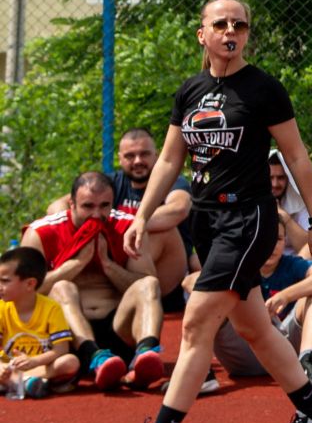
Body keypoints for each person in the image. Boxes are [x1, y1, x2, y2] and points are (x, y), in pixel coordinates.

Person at [113, 0, 312, 423]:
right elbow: (172, 159)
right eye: (220, 24)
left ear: (247, 34)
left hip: (248, 219)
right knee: (255, 328)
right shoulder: (191, 90)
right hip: (206, 221)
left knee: (196, 323)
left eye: (239, 24)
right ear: (203, 34)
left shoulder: (263, 89)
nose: (230, 31)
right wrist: (140, 215)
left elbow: (297, 158)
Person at [23, 172, 169, 390]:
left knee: (149, 283)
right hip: (68, 340)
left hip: (118, 328)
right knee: (62, 287)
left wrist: (109, 266)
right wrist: (73, 266)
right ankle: (94, 356)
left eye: (104, 206)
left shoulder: (128, 227)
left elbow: (145, 283)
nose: (96, 214)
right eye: (88, 206)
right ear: (71, 204)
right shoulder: (41, 232)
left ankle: (146, 354)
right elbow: (23, 293)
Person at [209, 157, 312, 396]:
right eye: (266, 239)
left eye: (278, 240)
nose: (271, 246)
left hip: (284, 350)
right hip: (244, 357)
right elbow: (191, 282)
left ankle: (309, 360)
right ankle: (201, 370)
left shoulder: (289, 262)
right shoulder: (239, 262)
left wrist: (285, 295)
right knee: (212, 298)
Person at [44, 128, 194, 300]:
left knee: (155, 231)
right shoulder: (109, 184)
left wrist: (129, 225)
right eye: (130, 156)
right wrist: (72, 231)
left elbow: (179, 208)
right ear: (120, 158)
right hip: (114, 262)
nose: (138, 161)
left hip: (164, 268)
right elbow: (56, 206)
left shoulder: (173, 182)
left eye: (144, 154)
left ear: (156, 155)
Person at [2, 246, 81, 398]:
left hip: (39, 366)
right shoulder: (1, 308)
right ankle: (26, 382)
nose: (0, 286)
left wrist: (34, 361)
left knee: (70, 362)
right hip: (7, 367)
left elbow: (61, 350)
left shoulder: (51, 308)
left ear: (30, 284)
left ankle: (19, 382)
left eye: (5, 281)